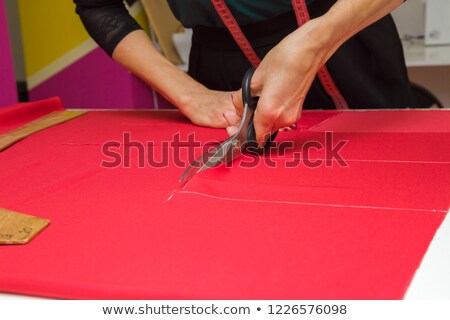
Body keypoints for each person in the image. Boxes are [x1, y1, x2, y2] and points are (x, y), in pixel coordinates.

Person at [74, 0, 415, 147]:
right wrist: (188, 94)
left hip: (346, 36)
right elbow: (97, 5)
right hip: (222, 75)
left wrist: (315, 42)